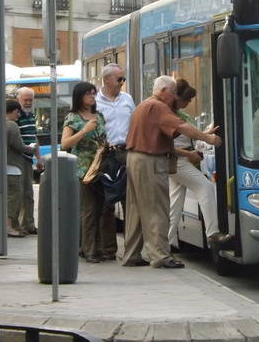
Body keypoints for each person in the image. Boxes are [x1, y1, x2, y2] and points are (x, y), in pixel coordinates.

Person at [121, 75, 222, 269]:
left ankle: (132, 255)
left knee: (136, 210)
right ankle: (160, 256)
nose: (175, 97)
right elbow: (181, 127)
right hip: (150, 161)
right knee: (157, 208)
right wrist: (208, 139)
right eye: (174, 92)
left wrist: (196, 142)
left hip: (135, 158)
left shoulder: (145, 105)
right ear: (163, 91)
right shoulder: (158, 107)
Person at [168, 79, 230, 252]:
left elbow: (191, 134)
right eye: (186, 99)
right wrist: (191, 152)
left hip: (177, 162)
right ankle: (212, 232)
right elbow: (167, 144)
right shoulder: (171, 116)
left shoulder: (177, 113)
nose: (188, 103)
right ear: (177, 98)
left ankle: (166, 242)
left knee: (175, 204)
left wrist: (203, 134)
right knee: (206, 187)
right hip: (178, 161)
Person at [61, 82, 110, 263]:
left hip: (100, 168)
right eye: (88, 94)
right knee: (88, 210)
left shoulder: (99, 116)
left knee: (101, 209)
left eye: (93, 93)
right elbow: (65, 144)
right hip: (83, 170)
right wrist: (84, 130)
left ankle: (97, 247)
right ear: (79, 96)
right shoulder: (72, 118)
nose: (92, 96)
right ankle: (89, 250)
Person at [95, 63, 135, 252]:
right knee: (106, 203)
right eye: (119, 79)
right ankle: (108, 249)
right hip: (105, 154)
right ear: (106, 79)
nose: (122, 82)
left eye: (123, 78)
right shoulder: (94, 101)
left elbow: (135, 124)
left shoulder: (127, 99)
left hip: (126, 153)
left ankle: (131, 249)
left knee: (130, 202)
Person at [5, 99, 37, 238]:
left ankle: (15, 226)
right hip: (13, 167)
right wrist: (30, 148)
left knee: (12, 195)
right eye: (17, 112)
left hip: (4, 167)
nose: (18, 116)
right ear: (11, 111)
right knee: (14, 197)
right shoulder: (11, 125)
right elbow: (19, 146)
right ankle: (8, 226)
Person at [16, 87, 43, 235]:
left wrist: (38, 158)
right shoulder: (16, 115)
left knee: (28, 193)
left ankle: (29, 223)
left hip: (28, 159)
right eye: (25, 99)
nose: (27, 102)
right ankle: (23, 224)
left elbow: (34, 138)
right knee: (22, 193)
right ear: (18, 99)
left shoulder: (31, 116)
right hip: (19, 158)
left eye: (30, 100)